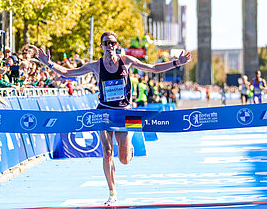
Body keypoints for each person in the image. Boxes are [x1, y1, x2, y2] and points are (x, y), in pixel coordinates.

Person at [37, 31, 191, 206]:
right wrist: (48, 63)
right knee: (108, 152)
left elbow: (153, 68)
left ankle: (129, 145)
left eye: (113, 43)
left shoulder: (126, 61)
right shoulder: (96, 65)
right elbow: (69, 72)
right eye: (106, 43)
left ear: (116, 45)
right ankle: (112, 193)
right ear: (101, 46)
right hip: (104, 112)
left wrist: (177, 62)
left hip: (125, 112)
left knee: (124, 159)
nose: (110, 46)